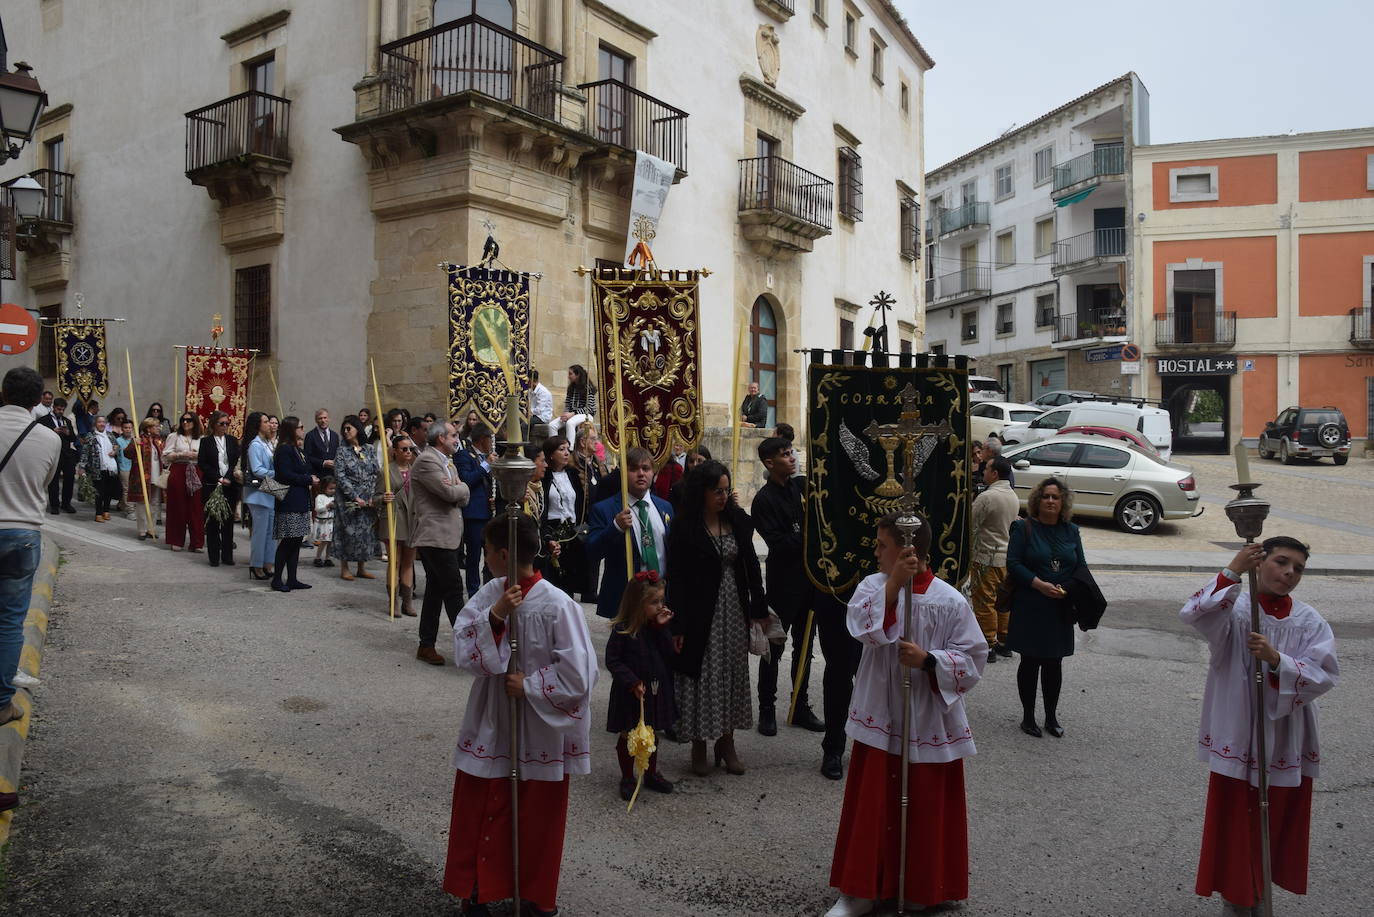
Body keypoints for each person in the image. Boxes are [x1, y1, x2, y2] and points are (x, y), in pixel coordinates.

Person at [824, 512, 986, 917]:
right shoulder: (873, 586)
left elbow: (974, 659)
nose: (875, 552)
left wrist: (929, 660)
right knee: (873, 802)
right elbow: (863, 629)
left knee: (926, 803)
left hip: (927, 716)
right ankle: (860, 890)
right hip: (883, 708)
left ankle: (923, 887)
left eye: (882, 546)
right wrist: (894, 584)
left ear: (908, 549)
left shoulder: (949, 600)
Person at [442, 515, 597, 917]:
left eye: (488, 550)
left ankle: (534, 894)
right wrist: (494, 617)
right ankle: (477, 888)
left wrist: (528, 684)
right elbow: (463, 644)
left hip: (540, 728)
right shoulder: (491, 592)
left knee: (537, 816)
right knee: (482, 806)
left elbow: (580, 674)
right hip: (493, 721)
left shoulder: (558, 605)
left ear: (505, 554)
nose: (485, 556)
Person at [1181, 538, 1338, 915]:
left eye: (1298, 568)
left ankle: (1260, 895)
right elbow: (1194, 614)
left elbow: (1324, 673)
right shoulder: (1236, 611)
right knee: (1236, 825)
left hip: (1284, 738)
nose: (1289, 573)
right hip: (1238, 732)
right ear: (1260, 562)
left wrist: (1276, 660)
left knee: (1273, 824)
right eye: (1282, 562)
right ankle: (1236, 902)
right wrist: (1234, 568)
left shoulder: (1308, 620)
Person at [667, 460, 767, 777]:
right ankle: (699, 742)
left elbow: (751, 565)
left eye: (726, 490)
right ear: (702, 493)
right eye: (716, 491)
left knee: (731, 675)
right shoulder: (685, 527)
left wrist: (759, 607)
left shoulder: (737, 520)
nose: (723, 497)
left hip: (733, 610)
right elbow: (677, 578)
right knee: (703, 676)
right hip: (700, 612)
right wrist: (677, 624)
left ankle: (727, 742)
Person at [750, 437, 825, 738]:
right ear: (770, 462)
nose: (791, 458)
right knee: (774, 649)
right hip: (783, 586)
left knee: (804, 649)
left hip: (810, 583)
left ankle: (800, 705)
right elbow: (777, 545)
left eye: (791, 452)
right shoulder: (764, 500)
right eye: (784, 454)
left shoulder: (802, 487)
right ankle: (767, 708)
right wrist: (807, 533)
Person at [0, 367, 61, 730]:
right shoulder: (50, 438)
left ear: (3, 393)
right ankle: (2, 702)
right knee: (9, 622)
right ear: (40, 399)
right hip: (23, 533)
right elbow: (45, 482)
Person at [1006, 476, 1083, 738]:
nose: (1051, 501)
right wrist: (1038, 584)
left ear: (1063, 502)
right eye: (1046, 496)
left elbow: (1080, 567)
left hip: (1059, 606)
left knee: (1054, 663)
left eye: (1056, 497)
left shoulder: (1071, 531)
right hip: (1031, 604)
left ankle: (1051, 717)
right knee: (1030, 661)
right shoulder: (1023, 528)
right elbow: (1013, 563)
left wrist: (1067, 589)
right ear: (1038, 500)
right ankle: (1028, 717)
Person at [605, 570, 677, 800]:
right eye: (654, 602)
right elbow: (613, 661)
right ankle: (627, 776)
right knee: (629, 735)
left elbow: (669, 655)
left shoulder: (656, 628)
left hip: (655, 690)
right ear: (637, 604)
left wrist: (663, 627)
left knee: (651, 734)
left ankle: (650, 773)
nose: (660, 606)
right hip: (630, 694)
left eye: (661, 601)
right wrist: (632, 681)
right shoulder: (622, 630)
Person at [410, 421, 470, 665]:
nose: (457, 439)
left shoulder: (447, 462)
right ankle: (469, 647)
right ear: (440, 438)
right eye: (454, 435)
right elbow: (450, 494)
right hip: (435, 536)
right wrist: (461, 487)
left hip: (447, 535)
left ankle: (426, 644)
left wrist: (459, 488)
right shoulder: (427, 461)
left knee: (435, 591)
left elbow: (460, 497)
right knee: (454, 589)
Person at [585, 447, 671, 619]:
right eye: (633, 469)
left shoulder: (665, 508)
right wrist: (615, 527)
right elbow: (592, 551)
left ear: (654, 473)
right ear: (623, 473)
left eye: (645, 468)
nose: (640, 474)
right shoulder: (605, 509)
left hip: (661, 599)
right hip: (626, 600)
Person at [969, 455, 1020, 664]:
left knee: (984, 602)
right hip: (1005, 556)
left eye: (987, 469)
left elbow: (971, 525)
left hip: (985, 556)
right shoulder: (1013, 496)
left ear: (995, 473)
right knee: (1002, 602)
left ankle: (988, 643)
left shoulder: (987, 497)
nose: (983, 472)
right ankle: (1003, 640)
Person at [269, 416, 318, 592]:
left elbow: (307, 467)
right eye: (301, 427)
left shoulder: (297, 449)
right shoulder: (284, 450)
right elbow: (284, 474)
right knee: (288, 541)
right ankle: (276, 579)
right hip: (289, 500)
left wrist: (311, 477)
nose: (303, 430)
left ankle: (292, 578)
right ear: (291, 429)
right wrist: (307, 479)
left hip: (300, 499)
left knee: (297, 541)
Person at [334, 414, 382, 581]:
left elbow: (376, 471)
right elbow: (340, 476)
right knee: (347, 532)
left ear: (357, 429)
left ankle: (362, 567)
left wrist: (374, 496)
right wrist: (354, 496)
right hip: (348, 499)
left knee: (365, 532)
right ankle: (345, 567)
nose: (346, 431)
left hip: (368, 498)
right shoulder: (342, 451)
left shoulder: (368, 449)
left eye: (349, 428)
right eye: (344, 429)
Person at [539, 435, 585, 601]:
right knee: (554, 577)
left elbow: (579, 501)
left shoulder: (572, 474)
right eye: (561, 449)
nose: (567, 453)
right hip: (552, 530)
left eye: (567, 449)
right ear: (551, 454)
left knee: (569, 577)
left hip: (571, 531)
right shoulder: (545, 476)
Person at [455, 423, 496, 599]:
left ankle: (489, 587)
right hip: (474, 512)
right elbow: (466, 480)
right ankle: (473, 591)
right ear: (482, 439)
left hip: (489, 511)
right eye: (490, 440)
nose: (492, 444)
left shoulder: (488, 457)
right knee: (473, 555)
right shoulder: (464, 455)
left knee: (491, 553)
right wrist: (486, 465)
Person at [197, 411, 241, 567]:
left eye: (226, 423)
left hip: (229, 486)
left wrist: (228, 477)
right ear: (214, 424)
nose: (224, 426)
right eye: (221, 423)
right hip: (212, 485)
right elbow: (203, 463)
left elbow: (235, 460)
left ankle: (227, 555)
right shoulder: (206, 442)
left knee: (228, 523)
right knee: (213, 522)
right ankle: (214, 556)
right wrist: (219, 478)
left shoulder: (232, 440)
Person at [383, 435, 418, 616]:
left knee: (408, 563)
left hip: (412, 521)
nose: (408, 452)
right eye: (404, 449)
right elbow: (375, 496)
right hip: (394, 520)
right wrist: (382, 498)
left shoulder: (416, 471)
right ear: (395, 451)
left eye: (410, 449)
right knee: (394, 562)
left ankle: (408, 602)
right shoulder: (387, 471)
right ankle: (393, 602)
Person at [242, 411, 279, 580]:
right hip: (259, 492)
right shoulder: (255, 444)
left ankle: (268, 562)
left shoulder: (267, 443)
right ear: (258, 425)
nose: (269, 424)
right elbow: (256, 469)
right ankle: (256, 564)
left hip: (269, 491)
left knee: (271, 531)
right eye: (265, 422)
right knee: (260, 532)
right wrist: (276, 473)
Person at [163, 411, 206, 553]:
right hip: (179, 470)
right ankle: (176, 540)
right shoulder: (174, 437)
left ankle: (197, 542)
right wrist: (181, 454)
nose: (185, 422)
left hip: (197, 470)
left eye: (189, 420)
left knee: (196, 507)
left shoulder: (202, 439)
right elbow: (166, 456)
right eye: (183, 420)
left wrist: (197, 455)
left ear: (195, 422)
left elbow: (208, 457)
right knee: (178, 506)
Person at [124, 418, 164, 540]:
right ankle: (142, 530)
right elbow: (127, 454)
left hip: (157, 475)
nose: (159, 428)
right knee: (142, 503)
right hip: (142, 476)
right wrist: (134, 444)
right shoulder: (140, 439)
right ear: (148, 428)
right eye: (156, 426)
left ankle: (151, 528)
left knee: (155, 502)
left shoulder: (159, 440)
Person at [38, 397, 79, 514]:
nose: (60, 411)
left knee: (69, 478)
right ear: (53, 407)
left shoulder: (67, 421)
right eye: (58, 409)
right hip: (52, 453)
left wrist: (68, 433)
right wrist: (52, 431)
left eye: (62, 410)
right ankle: (54, 505)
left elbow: (73, 438)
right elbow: (39, 435)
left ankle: (66, 503)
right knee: (53, 480)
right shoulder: (43, 420)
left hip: (67, 454)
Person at [83, 415, 121, 522]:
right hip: (97, 467)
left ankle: (106, 511)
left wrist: (115, 451)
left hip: (110, 467)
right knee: (99, 491)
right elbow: (85, 452)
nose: (102, 424)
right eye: (99, 422)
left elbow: (117, 446)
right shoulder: (90, 436)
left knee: (109, 490)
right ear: (95, 423)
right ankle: (98, 513)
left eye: (103, 422)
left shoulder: (110, 435)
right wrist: (82, 466)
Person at [556, 364, 597, 446]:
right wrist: (566, 414)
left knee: (570, 423)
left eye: (570, 374)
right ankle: (553, 448)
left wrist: (572, 413)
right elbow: (567, 403)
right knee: (552, 425)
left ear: (577, 375)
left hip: (586, 415)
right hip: (572, 414)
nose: (568, 376)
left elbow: (590, 408)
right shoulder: (571, 388)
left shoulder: (587, 388)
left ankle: (569, 449)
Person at [667, 445, 709, 511]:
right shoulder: (678, 488)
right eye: (691, 461)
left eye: (699, 461)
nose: (695, 464)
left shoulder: (714, 484)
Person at [303, 408, 339, 479]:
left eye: (325, 418)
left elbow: (337, 454)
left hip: (333, 476)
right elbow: (307, 457)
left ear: (329, 419)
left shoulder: (335, 435)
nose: (323, 420)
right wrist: (323, 463)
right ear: (316, 420)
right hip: (317, 475)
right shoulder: (310, 436)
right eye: (320, 418)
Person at [312, 477, 336, 568]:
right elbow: (318, 509)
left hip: (331, 523)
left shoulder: (334, 497)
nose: (333, 491)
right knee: (324, 541)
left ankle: (327, 558)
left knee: (330, 542)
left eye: (334, 489)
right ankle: (318, 557)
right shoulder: (320, 497)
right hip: (323, 523)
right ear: (323, 487)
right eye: (330, 488)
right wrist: (327, 506)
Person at [114, 419, 134, 515]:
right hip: (124, 467)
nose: (128, 430)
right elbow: (116, 453)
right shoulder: (118, 441)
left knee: (130, 488)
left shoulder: (135, 439)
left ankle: (122, 504)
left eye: (130, 428)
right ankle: (130, 510)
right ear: (122, 429)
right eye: (126, 428)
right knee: (127, 489)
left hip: (134, 467)